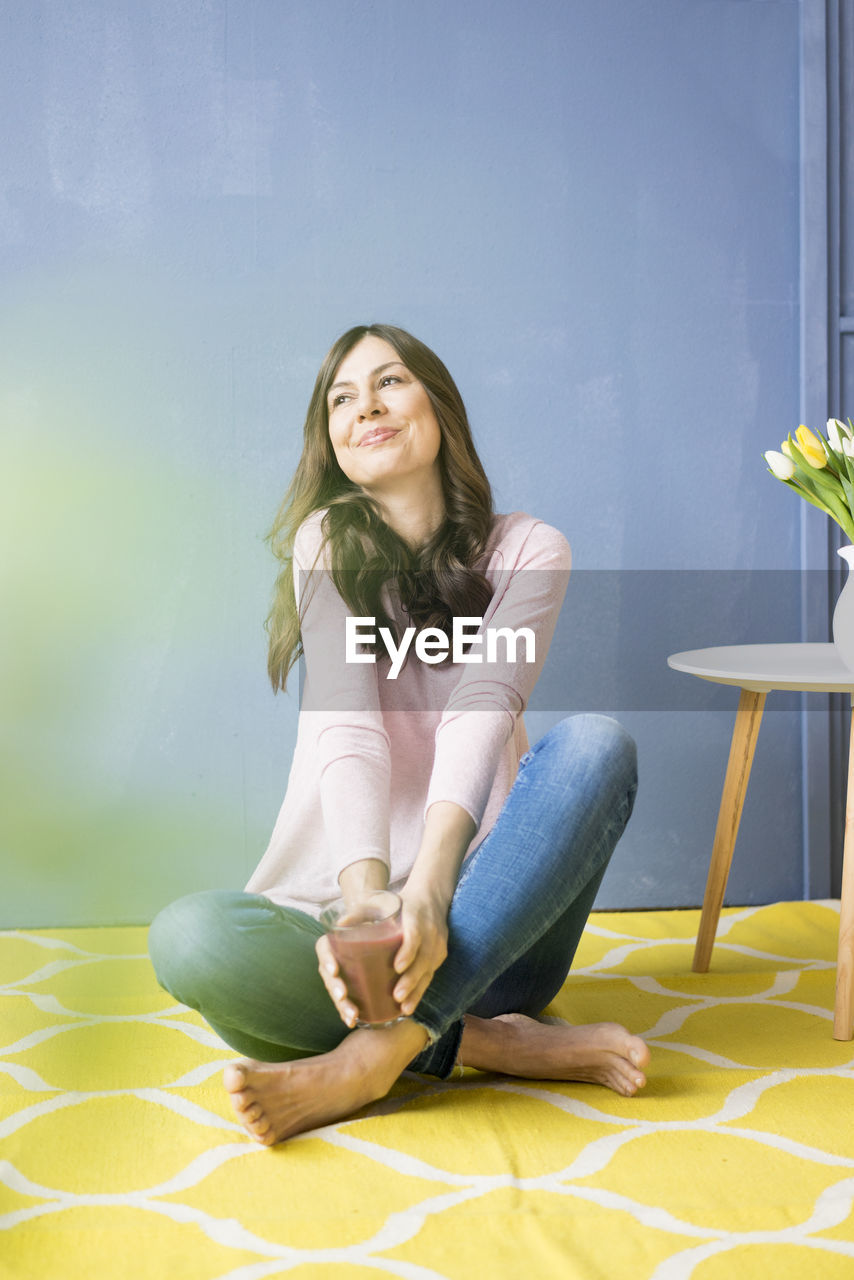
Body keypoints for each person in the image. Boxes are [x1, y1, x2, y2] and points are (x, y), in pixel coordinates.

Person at [148, 323, 648, 1146]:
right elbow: (348, 728)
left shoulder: (532, 549)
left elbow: (482, 704)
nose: (365, 407)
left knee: (596, 747)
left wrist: (432, 894)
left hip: (497, 930)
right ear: (332, 443)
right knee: (191, 940)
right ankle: (485, 1044)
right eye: (341, 398)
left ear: (438, 407)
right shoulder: (329, 546)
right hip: (368, 937)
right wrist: (368, 902)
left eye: (389, 383)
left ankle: (374, 1055)